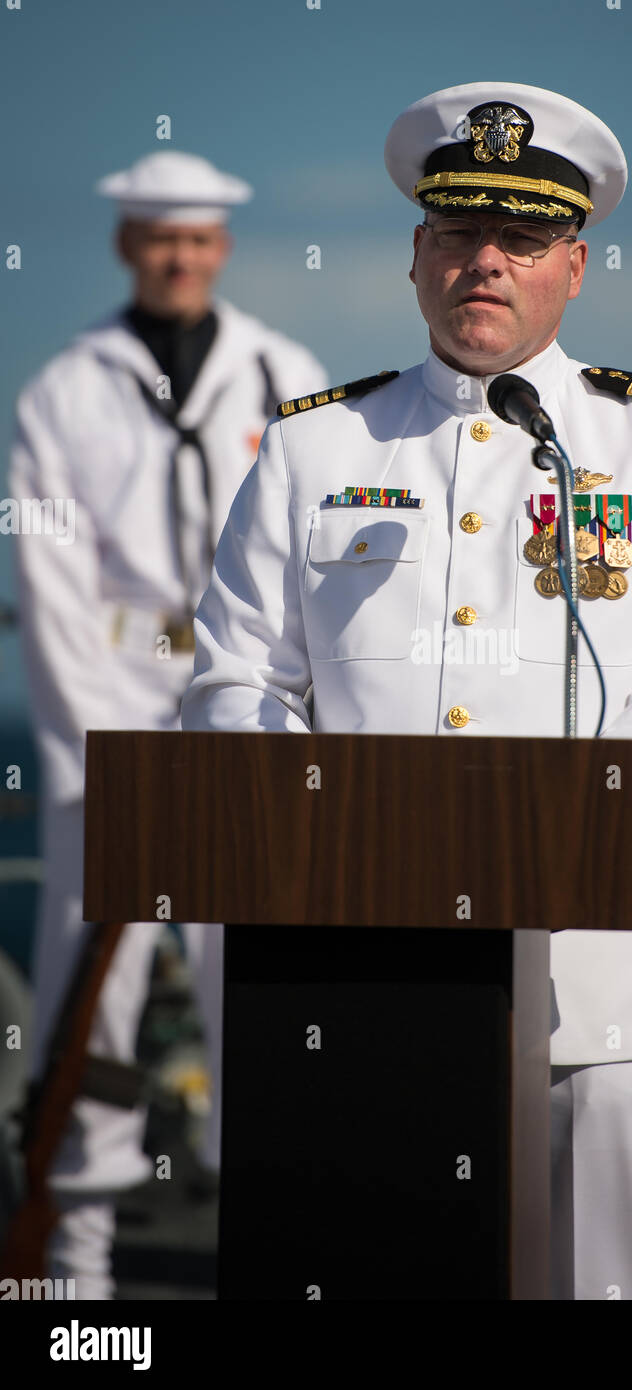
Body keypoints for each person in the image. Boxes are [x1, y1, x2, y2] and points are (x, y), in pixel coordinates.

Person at [181, 82, 632, 1300]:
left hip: (590, 975)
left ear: (575, 264)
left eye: (520, 240)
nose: (483, 264)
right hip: (354, 957)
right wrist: (313, 820)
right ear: (415, 258)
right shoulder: (315, 446)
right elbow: (236, 677)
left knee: (593, 1286)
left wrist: (545, 830)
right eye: (456, 234)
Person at [9, 149, 327, 1298]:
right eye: (159, 238)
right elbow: (48, 587)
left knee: (260, 984)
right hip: (114, 703)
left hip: (243, 700)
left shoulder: (281, 373)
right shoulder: (64, 388)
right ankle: (74, 1258)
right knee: (93, 991)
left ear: (222, 249)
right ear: (127, 245)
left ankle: (266, 1244)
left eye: (196, 240)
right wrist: (109, 753)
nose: (179, 257)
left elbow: (314, 558)